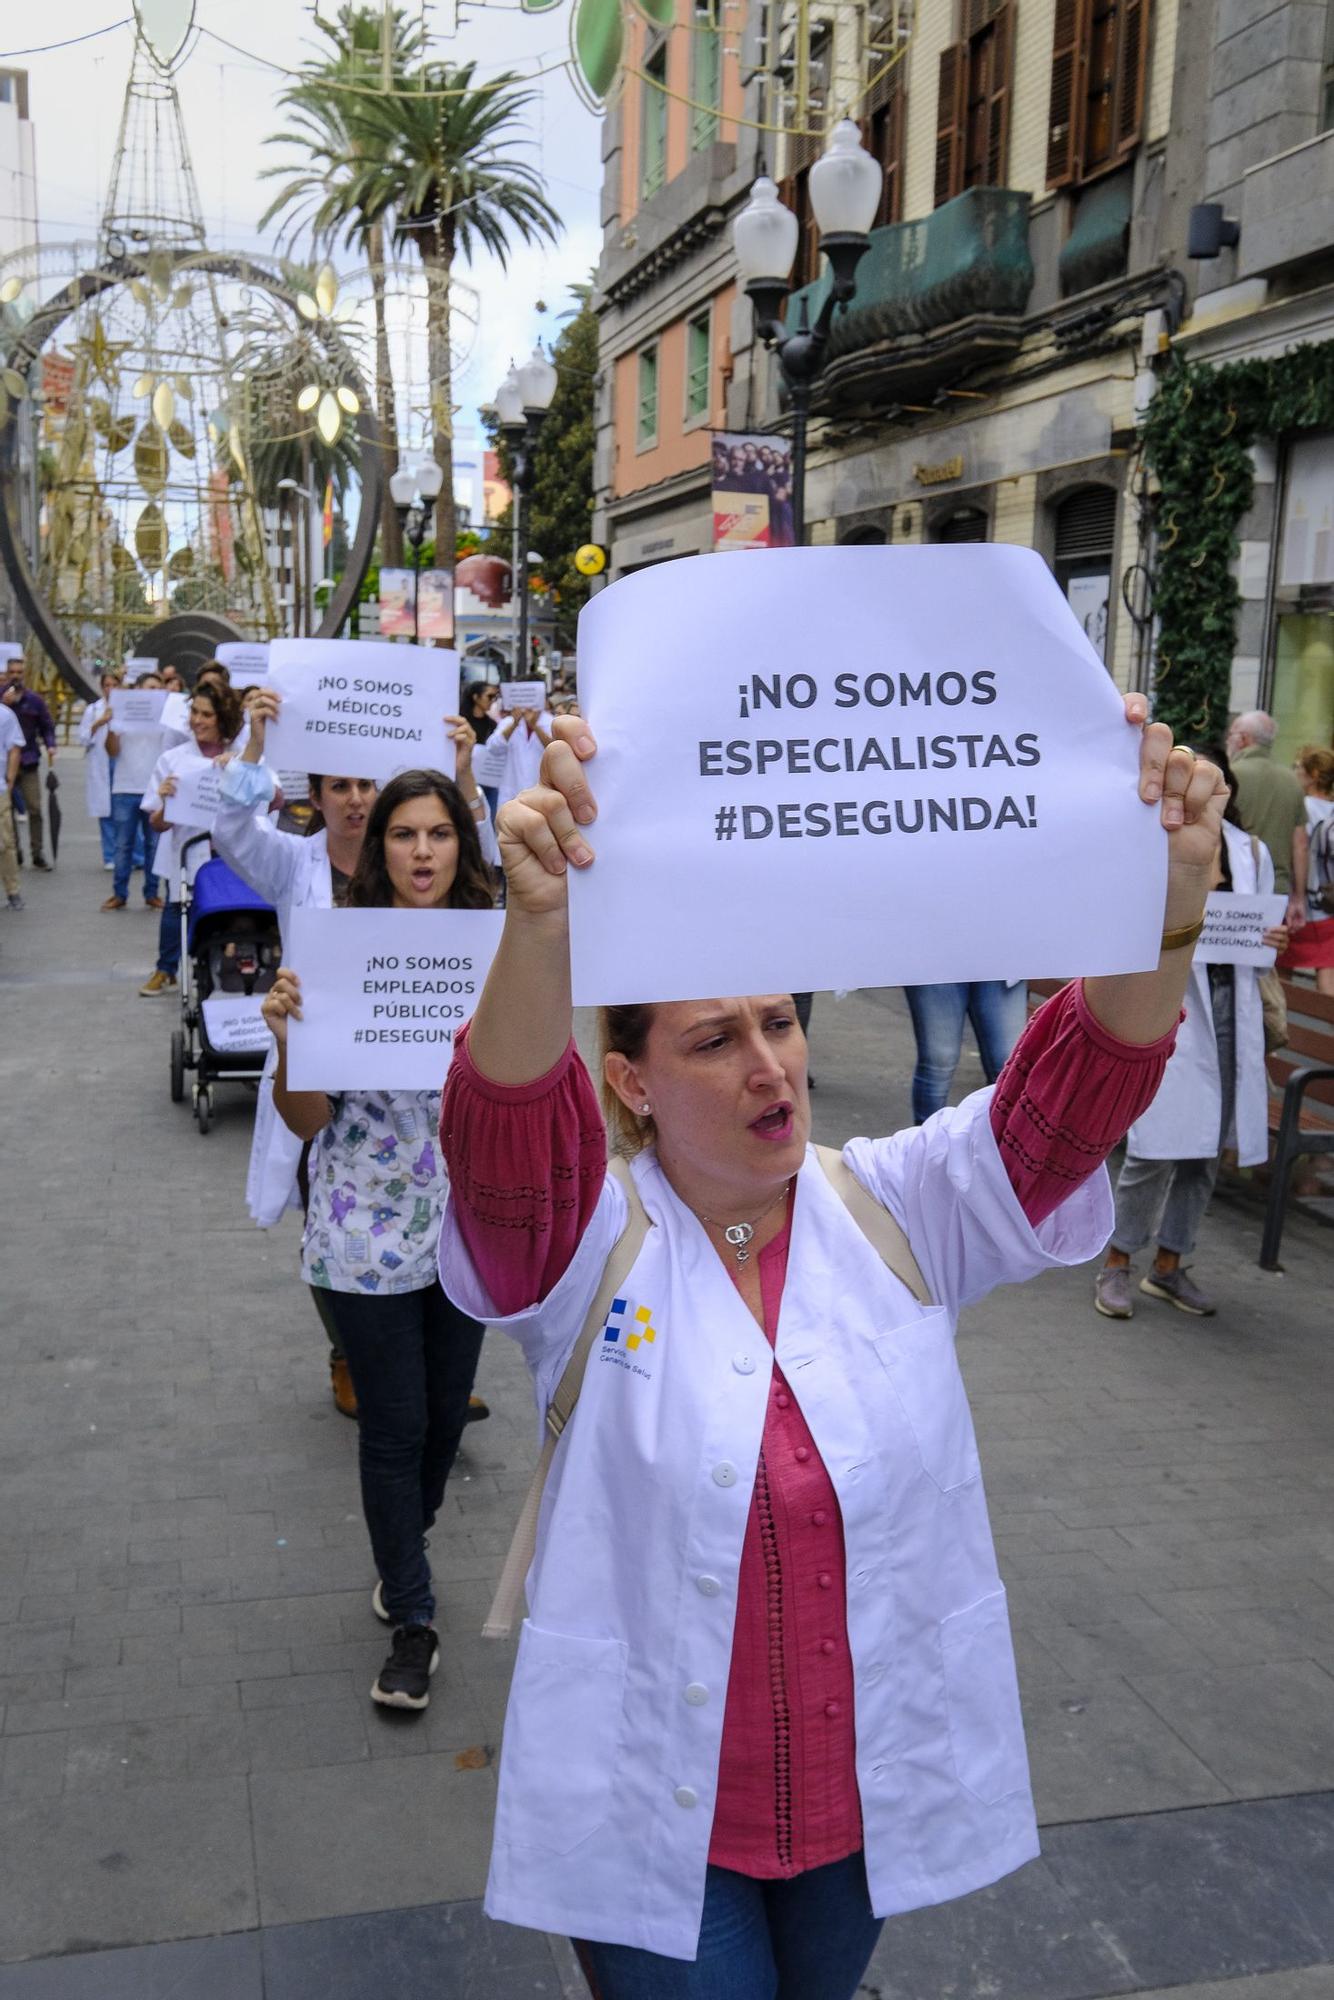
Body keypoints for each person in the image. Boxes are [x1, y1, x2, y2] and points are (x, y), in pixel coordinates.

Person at [436, 703, 1223, 1991]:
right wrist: (537, 928)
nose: (770, 1067)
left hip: (861, 1810)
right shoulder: (588, 1246)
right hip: (656, 1819)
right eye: (713, 1037)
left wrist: (1170, 893)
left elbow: (1069, 1097)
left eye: (780, 1022)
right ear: (629, 1080)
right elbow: (507, 1147)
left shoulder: (898, 1202)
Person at [261, 770, 494, 1712]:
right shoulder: (335, 952)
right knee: (395, 1428)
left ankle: (405, 1549)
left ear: (460, 847)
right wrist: (288, 1038)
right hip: (363, 1235)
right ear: (379, 847)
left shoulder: (496, 951)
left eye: (440, 833)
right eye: (405, 835)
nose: (424, 852)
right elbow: (310, 1119)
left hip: (468, 1232)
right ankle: (414, 1616)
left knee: (443, 1421)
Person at [214, 691, 496, 1423]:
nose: (354, 799)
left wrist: (464, 772)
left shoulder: (422, 860)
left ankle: (437, 1365)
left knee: (444, 1214)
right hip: (332, 1078)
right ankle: (353, 1350)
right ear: (318, 797)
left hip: (425, 1091)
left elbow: (486, 875)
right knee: (327, 1211)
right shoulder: (292, 864)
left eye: (366, 785)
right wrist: (254, 744)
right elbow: (232, 829)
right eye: (339, 786)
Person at [1095, 747, 1287, 1320]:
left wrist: (1273, 938)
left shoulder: (1252, 851)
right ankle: (1117, 1261)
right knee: (1155, 1147)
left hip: (1234, 1009)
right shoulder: (1154, 841)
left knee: (1208, 1148)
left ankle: (1171, 1265)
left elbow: (1263, 925)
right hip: (1171, 1003)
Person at [139, 681, 245, 998]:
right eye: (194, 712)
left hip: (228, 856)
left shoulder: (240, 757)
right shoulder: (173, 759)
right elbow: (157, 824)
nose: (197, 720)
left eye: (206, 714)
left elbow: (274, 799)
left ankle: (226, 971)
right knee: (177, 911)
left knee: (225, 916)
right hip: (187, 854)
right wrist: (165, 801)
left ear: (222, 718)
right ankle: (166, 969)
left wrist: (241, 772)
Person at [902, 979, 1028, 1125]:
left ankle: (1000, 1142)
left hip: (1001, 966)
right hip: (937, 965)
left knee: (1009, 1066)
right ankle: (925, 1143)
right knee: (938, 1063)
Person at [1225, 709, 1307, 932]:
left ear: (1243, 739)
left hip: (1230, 887)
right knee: (1266, 959)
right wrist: (1298, 897)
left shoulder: (1229, 775)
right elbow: (1300, 845)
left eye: (1230, 735)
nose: (1227, 741)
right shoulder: (1291, 781)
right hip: (1276, 890)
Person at [103, 671, 165, 911]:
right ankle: (119, 893)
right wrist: (111, 726)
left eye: (158, 689)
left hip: (154, 789)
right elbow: (112, 751)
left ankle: (152, 892)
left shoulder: (164, 717)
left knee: (153, 845)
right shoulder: (123, 713)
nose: (155, 693)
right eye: (150, 688)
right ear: (138, 689)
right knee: (123, 845)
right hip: (125, 786)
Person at [1279, 745, 1334, 998]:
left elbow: (1297, 848)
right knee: (1327, 971)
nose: (1295, 772)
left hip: (1299, 904)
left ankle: (1284, 1032)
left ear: (1313, 774)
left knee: (1283, 973)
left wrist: (1295, 897)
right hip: (1328, 905)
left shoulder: (1301, 807)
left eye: (1299, 767)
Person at [1, 659, 56, 869]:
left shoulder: (34, 700)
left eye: (19, 672)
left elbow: (47, 726)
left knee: (34, 808)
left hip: (29, 761)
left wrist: (51, 745)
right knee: (8, 810)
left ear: (24, 674)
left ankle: (37, 851)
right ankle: (15, 852)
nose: (15, 676)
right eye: (12, 672)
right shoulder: (1, 699)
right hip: (5, 764)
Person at [78, 672, 120, 869]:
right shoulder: (93, 710)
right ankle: (110, 855)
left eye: (113, 684)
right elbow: (83, 738)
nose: (109, 688)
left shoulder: (128, 708)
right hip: (101, 763)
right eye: (106, 685)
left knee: (125, 811)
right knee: (106, 812)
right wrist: (99, 723)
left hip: (122, 763)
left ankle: (135, 855)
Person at [0, 693, 23, 910]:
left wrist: (9, 779)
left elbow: (14, 748)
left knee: (5, 843)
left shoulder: (5, 715)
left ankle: (13, 890)